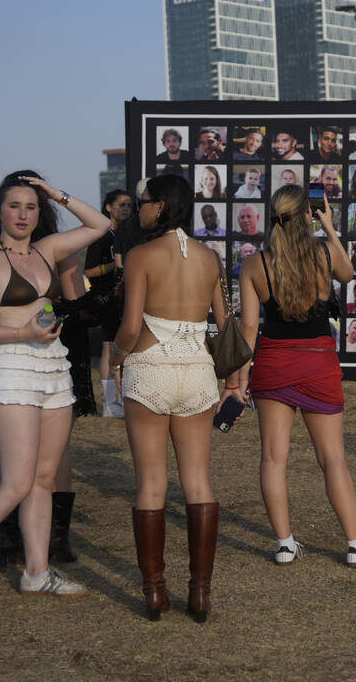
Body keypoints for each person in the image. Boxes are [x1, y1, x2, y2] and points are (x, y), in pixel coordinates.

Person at [0, 173, 107, 609]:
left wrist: (56, 193)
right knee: (15, 482)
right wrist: (22, 334)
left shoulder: (46, 250)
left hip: (54, 370)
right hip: (11, 369)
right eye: (14, 205)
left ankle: (37, 572)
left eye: (32, 207)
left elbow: (100, 225)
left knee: (44, 479)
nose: (23, 214)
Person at [233, 183, 356, 575]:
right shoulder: (323, 253)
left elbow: (249, 328)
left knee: (272, 457)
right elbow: (349, 273)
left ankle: (284, 545)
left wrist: (237, 380)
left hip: (272, 363)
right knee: (332, 458)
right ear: (307, 215)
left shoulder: (255, 264)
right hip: (318, 362)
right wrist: (330, 227)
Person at [110, 174, 228, 622]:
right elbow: (224, 322)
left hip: (149, 368)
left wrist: (116, 360)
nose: (137, 209)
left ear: (159, 207)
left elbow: (127, 328)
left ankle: (155, 592)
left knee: (151, 485)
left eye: (142, 202)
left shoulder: (140, 255)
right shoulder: (208, 258)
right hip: (198, 371)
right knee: (198, 483)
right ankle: (199, 593)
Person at [85, 189, 133, 417]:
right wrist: (115, 266)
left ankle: (122, 399)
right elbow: (89, 270)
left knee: (124, 348)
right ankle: (109, 402)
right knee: (108, 347)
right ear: (108, 208)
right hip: (107, 297)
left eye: (129, 205)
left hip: (126, 297)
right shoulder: (102, 235)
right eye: (121, 205)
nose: (126, 209)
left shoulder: (127, 233)